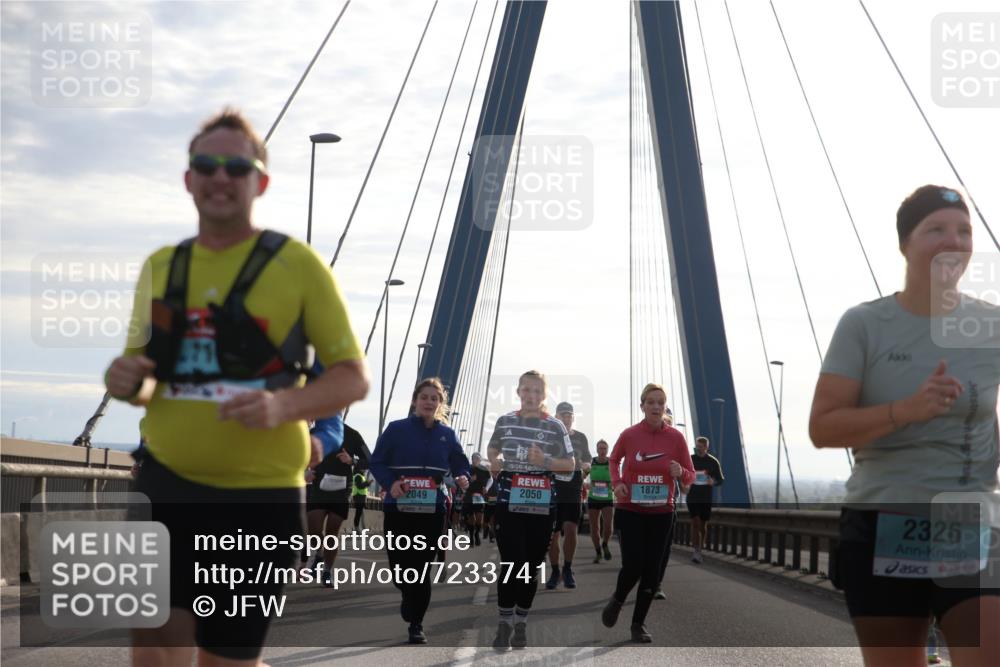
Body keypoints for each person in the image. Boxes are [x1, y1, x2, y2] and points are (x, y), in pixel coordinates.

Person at [105, 108, 369, 666]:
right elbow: (146, 378)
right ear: (189, 179)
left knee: (224, 659)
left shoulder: (299, 267)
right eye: (206, 164)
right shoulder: (163, 266)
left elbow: (351, 375)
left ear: (260, 182)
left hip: (260, 497)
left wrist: (284, 405)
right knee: (154, 645)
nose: (220, 176)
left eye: (236, 166)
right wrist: (125, 380)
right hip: (165, 485)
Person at [809, 185, 999, 666]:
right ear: (905, 244)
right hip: (884, 519)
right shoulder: (865, 324)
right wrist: (906, 410)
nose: (952, 241)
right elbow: (823, 428)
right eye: (935, 229)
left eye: (963, 231)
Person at [369, 377, 470, 645]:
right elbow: (376, 461)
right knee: (399, 567)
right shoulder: (396, 429)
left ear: (440, 404)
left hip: (432, 510)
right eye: (424, 397)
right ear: (415, 400)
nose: (429, 402)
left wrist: (462, 475)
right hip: (398, 507)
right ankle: (406, 592)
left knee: (421, 566)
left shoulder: (447, 434)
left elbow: (460, 461)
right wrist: (391, 483)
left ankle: (417, 623)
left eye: (434, 398)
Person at [487, 370, 575, 651]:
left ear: (544, 395)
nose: (531, 396)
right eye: (527, 390)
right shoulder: (505, 421)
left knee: (531, 567)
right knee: (512, 562)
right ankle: (504, 624)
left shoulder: (556, 427)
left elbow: (570, 466)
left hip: (541, 508)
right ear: (518, 392)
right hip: (508, 504)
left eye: (537, 391)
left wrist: (545, 459)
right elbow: (492, 449)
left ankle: (521, 622)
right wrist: (494, 461)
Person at [601, 383, 694, 643]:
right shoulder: (630, 435)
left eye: (660, 403)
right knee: (633, 565)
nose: (655, 406)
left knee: (652, 571)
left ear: (664, 408)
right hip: (630, 510)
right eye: (650, 402)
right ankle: (618, 599)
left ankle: (638, 625)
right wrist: (617, 482)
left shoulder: (676, 438)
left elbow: (690, 474)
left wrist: (681, 473)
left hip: (662, 512)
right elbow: (613, 459)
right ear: (642, 406)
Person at [305, 415, 369, 586]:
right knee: (314, 532)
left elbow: (370, 460)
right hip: (317, 487)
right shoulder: (313, 432)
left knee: (332, 532)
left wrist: (352, 460)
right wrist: (305, 472)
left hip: (341, 489)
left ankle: (327, 571)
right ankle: (319, 553)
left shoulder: (353, 434)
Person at [545, 402, 592, 590]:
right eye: (562, 415)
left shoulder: (580, 437)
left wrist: (586, 466)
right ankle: (555, 571)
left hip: (573, 488)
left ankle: (568, 568)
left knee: (571, 529)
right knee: (553, 534)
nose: (566, 418)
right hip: (553, 488)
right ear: (556, 417)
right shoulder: (549, 438)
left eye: (569, 415)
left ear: (573, 418)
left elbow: (588, 459)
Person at [686, 436, 723, 564]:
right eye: (697, 446)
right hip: (692, 496)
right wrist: (685, 482)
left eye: (701, 447)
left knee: (703, 525)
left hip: (706, 497)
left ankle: (700, 548)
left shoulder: (713, 462)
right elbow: (683, 474)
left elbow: (721, 479)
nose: (699, 449)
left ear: (706, 447)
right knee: (695, 522)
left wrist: (714, 481)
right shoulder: (690, 459)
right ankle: (696, 551)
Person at [586, 439, 615, 564]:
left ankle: (605, 544)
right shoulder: (591, 462)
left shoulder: (612, 463)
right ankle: (598, 552)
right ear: (597, 450)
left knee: (608, 526)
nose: (602, 451)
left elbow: (617, 478)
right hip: (593, 497)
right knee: (594, 527)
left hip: (607, 498)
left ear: (607, 450)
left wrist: (613, 485)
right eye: (600, 448)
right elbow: (582, 477)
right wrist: (585, 484)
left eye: (604, 448)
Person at [464, 452, 492, 546]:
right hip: (469, 494)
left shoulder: (484, 469)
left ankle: (476, 534)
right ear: (472, 459)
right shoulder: (468, 468)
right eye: (474, 458)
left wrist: (486, 488)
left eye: (477, 458)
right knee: (471, 517)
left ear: (480, 460)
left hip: (479, 495)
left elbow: (490, 479)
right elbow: (461, 479)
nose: (475, 460)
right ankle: (471, 537)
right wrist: (468, 481)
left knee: (479, 517)